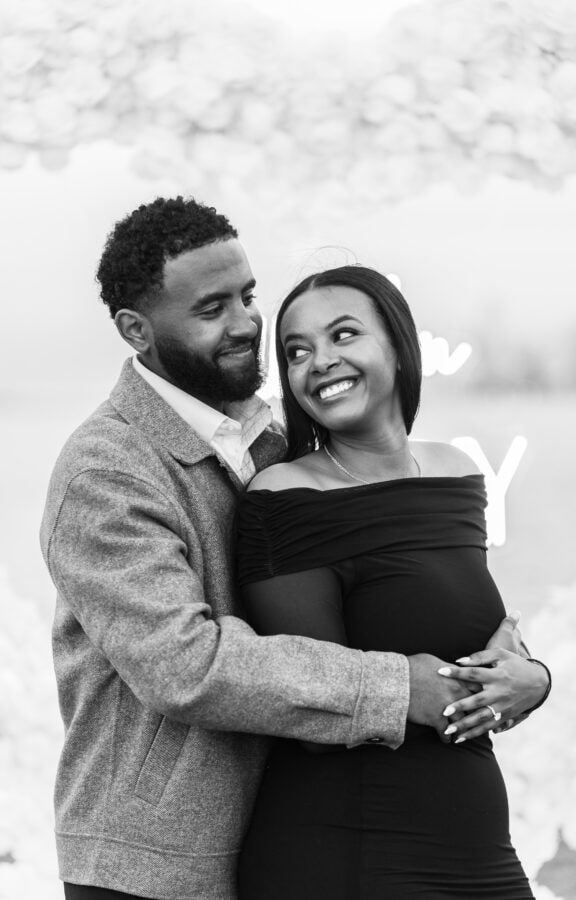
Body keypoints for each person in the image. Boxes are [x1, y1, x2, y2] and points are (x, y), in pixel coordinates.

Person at [39, 198, 547, 900]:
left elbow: (401, 592)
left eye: (248, 295)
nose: (249, 323)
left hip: (278, 827)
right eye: (212, 308)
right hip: (152, 866)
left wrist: (523, 670)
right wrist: (400, 690)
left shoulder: (269, 440)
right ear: (136, 330)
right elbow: (185, 665)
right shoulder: (107, 471)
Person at [236, 265, 550, 899]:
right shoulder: (284, 498)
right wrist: (478, 685)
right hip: (355, 853)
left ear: (399, 346)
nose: (319, 361)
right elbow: (313, 697)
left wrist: (534, 679)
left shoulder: (454, 472)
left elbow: (479, 640)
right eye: (297, 351)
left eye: (343, 335)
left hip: (474, 847)